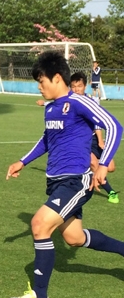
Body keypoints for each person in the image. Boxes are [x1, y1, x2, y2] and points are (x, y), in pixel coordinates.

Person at [6, 51, 124, 298]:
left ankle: (39, 297)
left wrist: (103, 164)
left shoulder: (79, 102)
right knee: (73, 238)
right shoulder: (51, 108)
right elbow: (47, 139)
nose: (39, 86)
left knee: (39, 224)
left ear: (57, 77)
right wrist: (22, 161)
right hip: (56, 181)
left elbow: (115, 126)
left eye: (42, 81)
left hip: (76, 180)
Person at [35, 71, 119, 204]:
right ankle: (110, 191)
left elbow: (99, 122)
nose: (76, 89)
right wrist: (44, 104)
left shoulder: (89, 101)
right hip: (83, 141)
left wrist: (101, 140)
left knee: (111, 167)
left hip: (96, 139)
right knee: (93, 163)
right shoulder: (71, 101)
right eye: (73, 86)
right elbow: (61, 107)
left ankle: (90, 176)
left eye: (79, 86)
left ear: (85, 86)